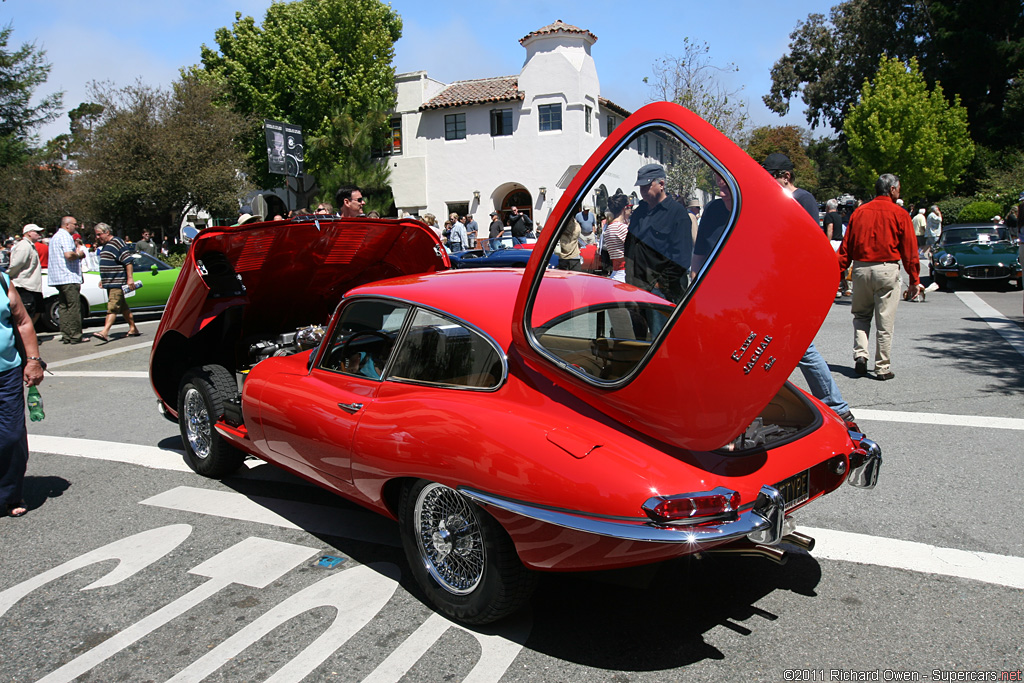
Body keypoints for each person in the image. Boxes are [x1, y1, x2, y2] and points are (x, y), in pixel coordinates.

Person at [763, 154, 857, 425]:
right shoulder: (776, 200)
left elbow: (801, 245)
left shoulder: (800, 199)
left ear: (786, 176)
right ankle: (770, 403)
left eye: (771, 176)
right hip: (776, 283)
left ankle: (837, 406)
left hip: (792, 284)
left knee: (801, 347)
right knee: (777, 346)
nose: (766, 181)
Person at [838, 173, 921, 381]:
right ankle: (882, 366)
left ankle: (860, 354)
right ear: (892, 190)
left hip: (861, 269)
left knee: (861, 316)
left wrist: (838, 272)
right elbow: (910, 251)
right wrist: (914, 280)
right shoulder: (900, 214)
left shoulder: (859, 212)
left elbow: (845, 248)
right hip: (886, 269)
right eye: (898, 188)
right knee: (885, 322)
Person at [1, 268, 45, 517]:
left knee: (12, 436)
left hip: (6, 373)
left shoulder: (2, 280)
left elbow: (23, 321)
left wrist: (32, 360)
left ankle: (9, 494)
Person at [624, 163, 692, 304]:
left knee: (660, 327)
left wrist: (660, 285)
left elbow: (682, 256)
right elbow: (630, 245)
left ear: (661, 184)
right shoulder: (639, 212)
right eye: (640, 187)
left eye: (646, 186)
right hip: (636, 286)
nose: (642, 191)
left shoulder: (677, 213)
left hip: (661, 291)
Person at [92, 223, 141, 343]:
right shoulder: (106, 246)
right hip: (110, 282)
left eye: (99, 234)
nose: (97, 237)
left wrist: (130, 278)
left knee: (112, 307)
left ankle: (104, 332)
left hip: (117, 282)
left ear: (107, 232)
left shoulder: (117, 242)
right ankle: (133, 328)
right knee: (123, 307)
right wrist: (103, 279)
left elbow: (128, 261)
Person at [48, 216, 89, 344]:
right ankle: (76, 335)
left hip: (58, 278)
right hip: (68, 276)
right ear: (67, 225)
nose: (76, 227)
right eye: (75, 224)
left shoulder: (55, 237)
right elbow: (69, 255)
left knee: (63, 307)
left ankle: (66, 334)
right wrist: (79, 255)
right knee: (73, 307)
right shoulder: (65, 236)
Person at [8, 225, 44, 325]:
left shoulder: (30, 245)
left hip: (33, 286)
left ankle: (29, 334)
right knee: (27, 313)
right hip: (24, 286)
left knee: (37, 311)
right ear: (29, 233)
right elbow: (16, 264)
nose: (39, 235)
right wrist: (8, 275)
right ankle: (24, 337)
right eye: (37, 232)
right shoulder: (23, 246)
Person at [603, 193, 631, 282]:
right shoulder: (621, 228)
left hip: (616, 272)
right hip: (626, 274)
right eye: (630, 206)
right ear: (624, 208)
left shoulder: (609, 228)